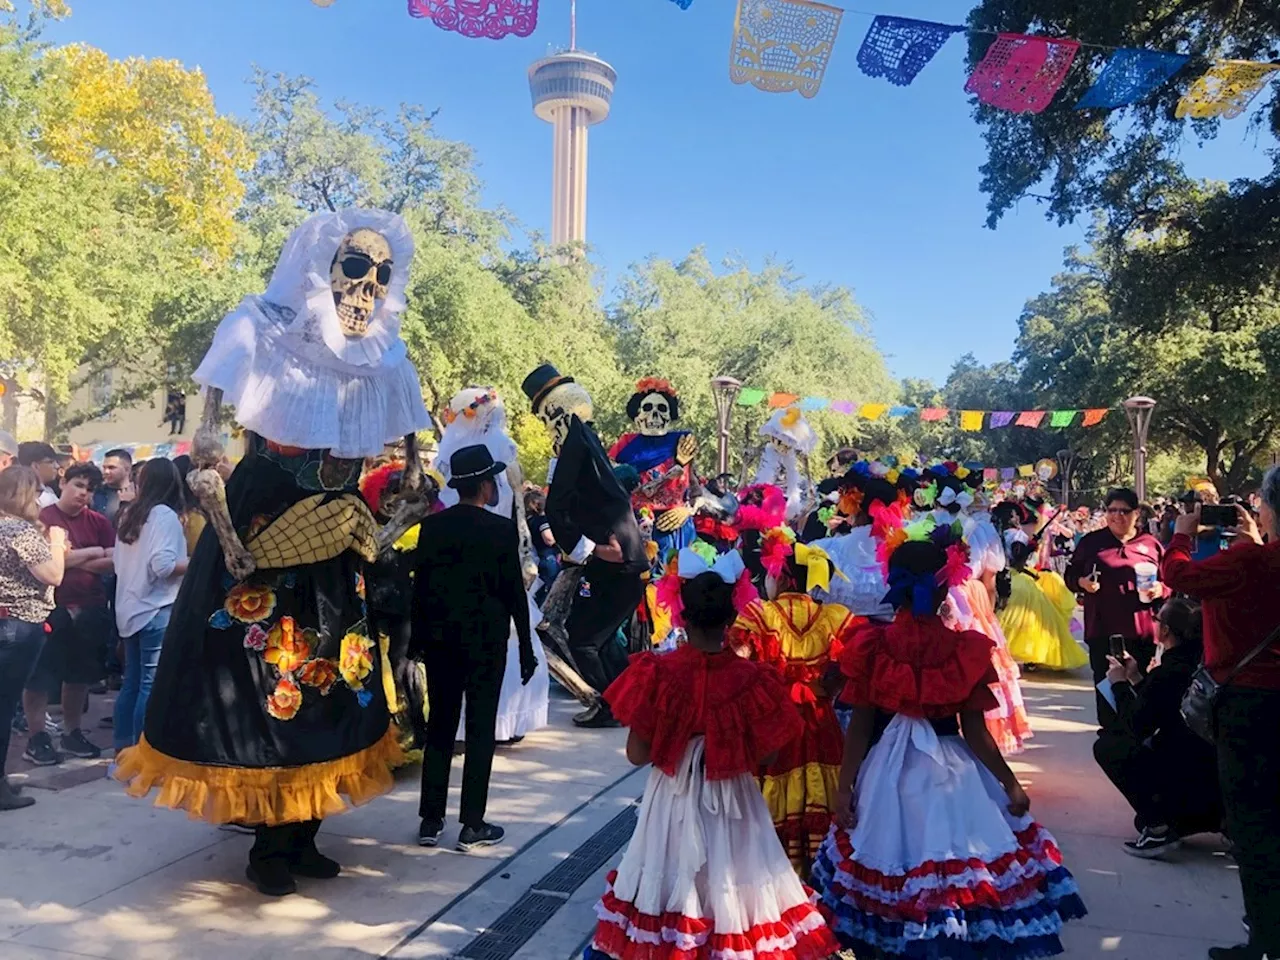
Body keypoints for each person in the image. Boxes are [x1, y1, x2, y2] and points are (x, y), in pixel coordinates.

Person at [114, 208, 429, 897]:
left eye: (381, 275)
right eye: (355, 269)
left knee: (332, 683)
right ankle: (268, 845)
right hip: (262, 537)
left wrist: (393, 515)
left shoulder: (388, 357)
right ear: (322, 269)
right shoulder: (264, 329)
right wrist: (221, 515)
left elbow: (410, 469)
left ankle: (305, 833)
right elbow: (204, 446)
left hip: (337, 551)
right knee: (265, 682)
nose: (366, 289)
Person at [810, 537, 1087, 958]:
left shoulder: (874, 645)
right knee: (959, 873)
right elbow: (974, 730)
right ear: (945, 588)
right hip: (954, 773)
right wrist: (1009, 783)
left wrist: (845, 787)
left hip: (888, 771)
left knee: (888, 868)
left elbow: (861, 724)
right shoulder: (964, 649)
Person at [583, 554, 839, 960]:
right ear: (731, 618)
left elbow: (636, 754)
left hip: (671, 801)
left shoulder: (657, 672)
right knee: (737, 883)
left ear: (681, 614)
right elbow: (770, 754)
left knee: (667, 876)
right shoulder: (754, 680)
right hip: (735, 798)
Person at [1161, 475, 1280, 960]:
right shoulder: (1255, 556)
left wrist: (1184, 532)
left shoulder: (1249, 562)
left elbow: (1178, 576)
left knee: (1254, 823)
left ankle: (1266, 940)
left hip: (1249, 703)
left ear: (1269, 508)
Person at [412, 444, 538, 852]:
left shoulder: (434, 528)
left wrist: (416, 642)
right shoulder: (499, 531)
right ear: (485, 486)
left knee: (441, 728)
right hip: (486, 641)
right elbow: (514, 594)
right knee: (481, 728)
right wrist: (526, 647)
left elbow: (422, 590)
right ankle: (472, 824)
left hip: (441, 641)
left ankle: (431, 820)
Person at [522, 363, 646, 728]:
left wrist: (584, 548)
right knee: (602, 639)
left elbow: (558, 506)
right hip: (619, 562)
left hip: (614, 562)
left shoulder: (577, 446)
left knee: (585, 640)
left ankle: (612, 707)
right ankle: (630, 703)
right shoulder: (588, 445)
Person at [730, 531, 858, 874]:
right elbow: (850, 666)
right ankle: (819, 872)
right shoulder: (835, 616)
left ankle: (775, 872)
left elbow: (738, 663)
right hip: (820, 721)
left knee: (771, 787)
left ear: (784, 576)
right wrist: (824, 690)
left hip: (773, 726)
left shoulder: (760, 615)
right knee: (821, 792)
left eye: (771, 573)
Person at [433, 387, 549, 747]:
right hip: (496, 548)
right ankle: (505, 721)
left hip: (461, 557)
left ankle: (468, 725)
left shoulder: (449, 454)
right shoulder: (502, 447)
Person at [1092, 596, 1222, 859]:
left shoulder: (1170, 672)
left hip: (1185, 766)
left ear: (1165, 631)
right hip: (1212, 771)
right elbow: (1160, 708)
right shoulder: (1200, 664)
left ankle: (1158, 828)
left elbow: (1136, 724)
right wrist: (1137, 678)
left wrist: (1118, 684)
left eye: (1157, 620)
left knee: (1108, 745)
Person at [22, 462, 114, 765]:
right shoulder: (43, 518)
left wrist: (69, 558)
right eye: (78, 485)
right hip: (51, 606)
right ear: (64, 482)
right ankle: (37, 737)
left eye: (89, 490)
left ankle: (72, 732)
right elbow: (47, 561)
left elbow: (113, 560)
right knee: (40, 676)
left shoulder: (99, 522)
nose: (83, 494)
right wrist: (92, 553)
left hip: (90, 606)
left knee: (80, 675)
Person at [1066, 487, 1164, 729]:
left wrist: (1161, 590)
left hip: (1141, 631)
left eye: (1124, 511)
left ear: (1137, 513)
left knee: (1139, 691)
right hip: (1102, 630)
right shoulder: (1092, 542)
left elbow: (1170, 579)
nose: (1118, 516)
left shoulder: (1150, 544)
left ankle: (1138, 744)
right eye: (1112, 510)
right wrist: (1082, 583)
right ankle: (1112, 740)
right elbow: (1071, 574)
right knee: (1107, 691)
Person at [110, 459, 188, 754]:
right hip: (156, 608)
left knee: (131, 682)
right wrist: (200, 561)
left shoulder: (129, 513)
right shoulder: (164, 515)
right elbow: (164, 566)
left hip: (129, 608)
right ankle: (144, 755)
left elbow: (118, 564)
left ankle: (122, 751)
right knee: (148, 684)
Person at [0, 467, 66, 809]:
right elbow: (53, 575)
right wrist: (56, 542)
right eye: (37, 492)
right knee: (4, 705)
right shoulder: (20, 531)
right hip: (19, 625)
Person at [525, 489, 559, 607]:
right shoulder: (542, 520)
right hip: (548, 556)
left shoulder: (528, 521)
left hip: (534, 556)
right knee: (547, 589)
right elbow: (548, 539)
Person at [94, 449, 133, 525]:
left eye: (112, 467)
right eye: (104, 468)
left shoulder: (139, 494)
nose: (106, 472)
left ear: (127, 469)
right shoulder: (96, 492)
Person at [18, 442, 59, 508]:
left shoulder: (49, 490)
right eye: (50, 462)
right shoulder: (43, 498)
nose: (57, 466)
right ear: (35, 466)